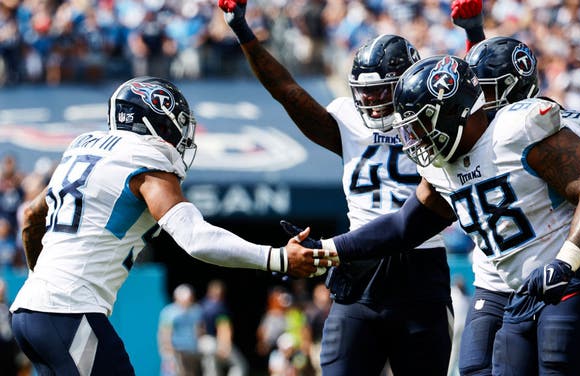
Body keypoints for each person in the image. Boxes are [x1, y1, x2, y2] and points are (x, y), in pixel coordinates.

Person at [308, 55, 580, 375]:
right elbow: (403, 226)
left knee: (558, 363)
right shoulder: (441, 170)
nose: (414, 140)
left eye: (420, 125)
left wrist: (565, 261)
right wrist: (327, 250)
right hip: (523, 293)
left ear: (452, 112)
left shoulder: (517, 131)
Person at [9, 76, 338, 375]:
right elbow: (195, 237)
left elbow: (30, 219)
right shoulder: (144, 161)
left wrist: (43, 286)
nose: (179, 136)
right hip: (68, 312)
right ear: (154, 120)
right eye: (175, 125)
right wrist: (277, 258)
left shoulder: (83, 147)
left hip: (28, 311)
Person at [218, 2, 455, 375]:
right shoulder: (348, 118)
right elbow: (287, 91)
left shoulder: (436, 118)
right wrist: (243, 31)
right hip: (358, 262)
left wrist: (473, 33)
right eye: (366, 92)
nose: (371, 102)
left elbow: (479, 106)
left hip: (419, 264)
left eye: (380, 91)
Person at [447, 2, 580, 374]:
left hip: (557, 280)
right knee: (474, 367)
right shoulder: (476, 135)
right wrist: (474, 32)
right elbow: (483, 88)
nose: (473, 104)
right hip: (496, 280)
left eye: (484, 95)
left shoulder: (545, 133)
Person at [158, 283, 204, 376]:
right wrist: (168, 350)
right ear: (176, 297)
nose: (186, 301)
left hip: (191, 351)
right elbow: (165, 332)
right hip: (174, 351)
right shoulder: (168, 312)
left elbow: (200, 329)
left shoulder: (196, 310)